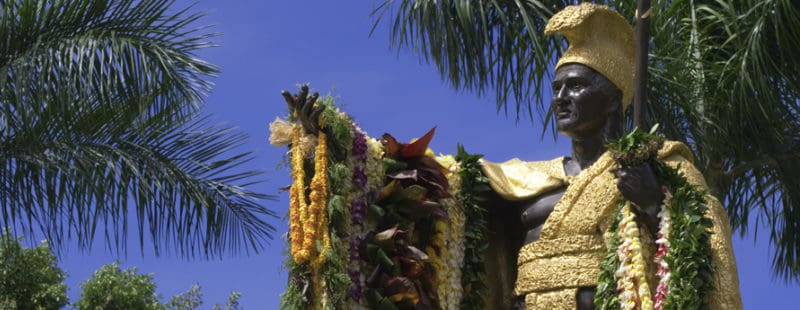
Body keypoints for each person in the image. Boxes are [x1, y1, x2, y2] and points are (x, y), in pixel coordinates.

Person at [283, 3, 741, 309]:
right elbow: (421, 181)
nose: (561, 98)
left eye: (577, 86)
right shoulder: (521, 179)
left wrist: (655, 204)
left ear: (612, 97)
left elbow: (706, 241)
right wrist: (330, 139)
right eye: (556, 88)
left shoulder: (659, 164)